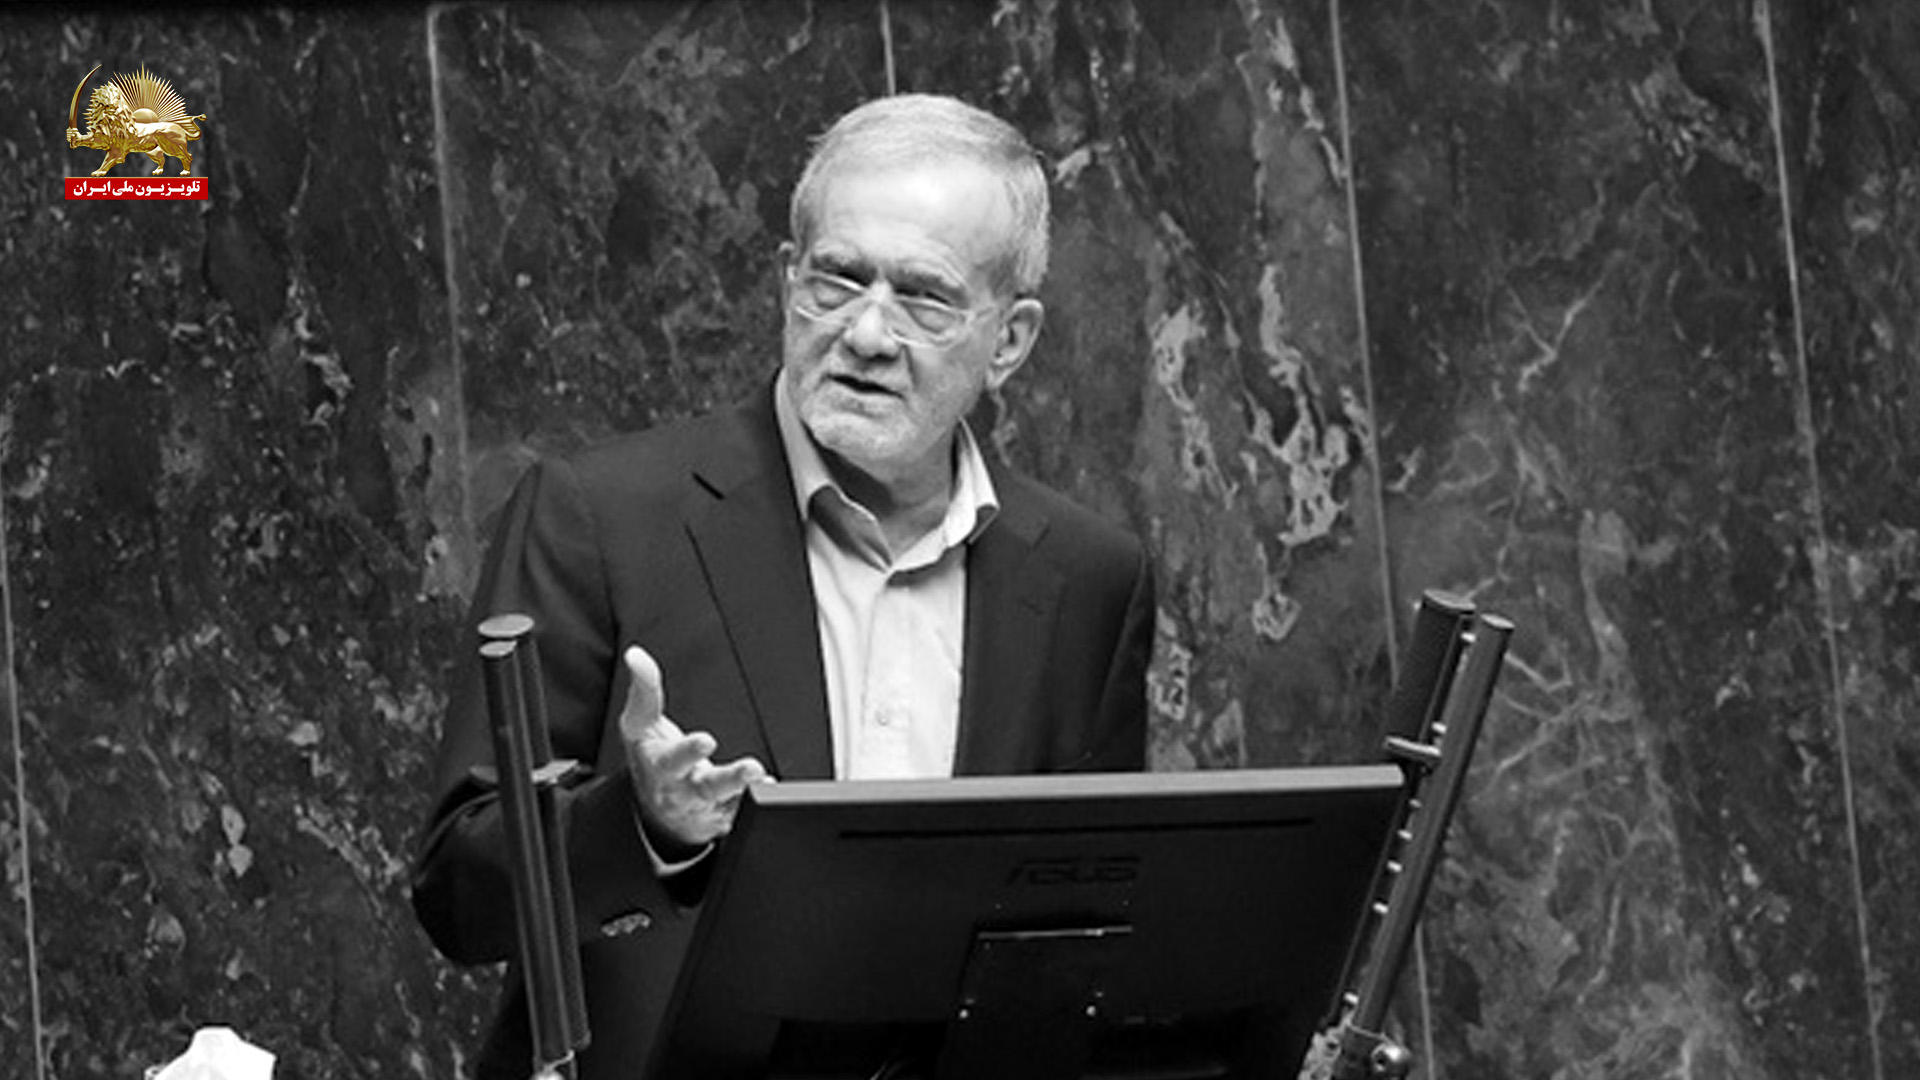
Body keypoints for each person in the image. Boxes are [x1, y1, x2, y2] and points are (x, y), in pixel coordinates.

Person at [410, 92, 1156, 1079]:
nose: (867, 333)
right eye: (837, 279)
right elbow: (458, 895)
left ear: (1010, 340)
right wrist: (640, 824)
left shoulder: (1088, 580)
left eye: (924, 297)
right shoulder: (598, 516)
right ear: (785, 282)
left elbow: (1094, 926)